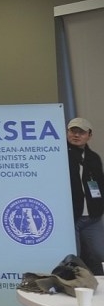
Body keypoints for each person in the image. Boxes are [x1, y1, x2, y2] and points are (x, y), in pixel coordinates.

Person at [67, 117, 104, 276]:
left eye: (81, 132)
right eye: (73, 131)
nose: (76, 135)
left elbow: (99, 183)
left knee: (100, 254)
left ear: (89, 135)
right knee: (73, 259)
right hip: (71, 217)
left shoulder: (93, 157)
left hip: (93, 217)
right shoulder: (59, 155)